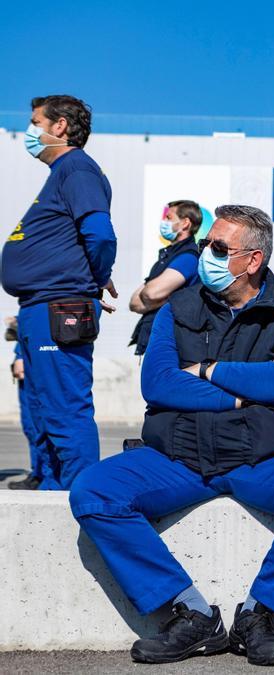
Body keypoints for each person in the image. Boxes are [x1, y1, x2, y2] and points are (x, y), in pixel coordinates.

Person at [69, 205, 274, 667]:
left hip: (263, 457)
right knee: (94, 491)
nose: (207, 255)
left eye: (220, 248)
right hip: (177, 456)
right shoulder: (177, 308)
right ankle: (194, 615)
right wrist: (241, 395)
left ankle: (260, 615)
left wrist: (206, 370)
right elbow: (158, 382)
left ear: (253, 260)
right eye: (207, 245)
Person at [1, 95, 118, 490]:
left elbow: (100, 234)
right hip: (39, 308)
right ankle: (50, 490)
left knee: (64, 409)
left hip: (60, 306)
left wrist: (97, 278)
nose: (29, 131)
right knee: (41, 410)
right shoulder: (60, 174)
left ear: (60, 127)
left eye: (36, 122)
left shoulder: (77, 170)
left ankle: (81, 497)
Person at [129, 200, 202, 355]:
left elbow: (150, 293)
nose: (164, 222)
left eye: (169, 218)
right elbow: (134, 302)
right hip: (153, 338)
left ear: (185, 224)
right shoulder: (167, 256)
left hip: (170, 342)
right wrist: (169, 298)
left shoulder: (188, 257)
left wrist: (158, 298)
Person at [8, 321, 48, 490]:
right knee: (33, 428)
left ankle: (41, 476)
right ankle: (39, 473)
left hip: (34, 369)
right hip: (33, 358)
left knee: (36, 427)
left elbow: (20, 370)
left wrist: (20, 356)